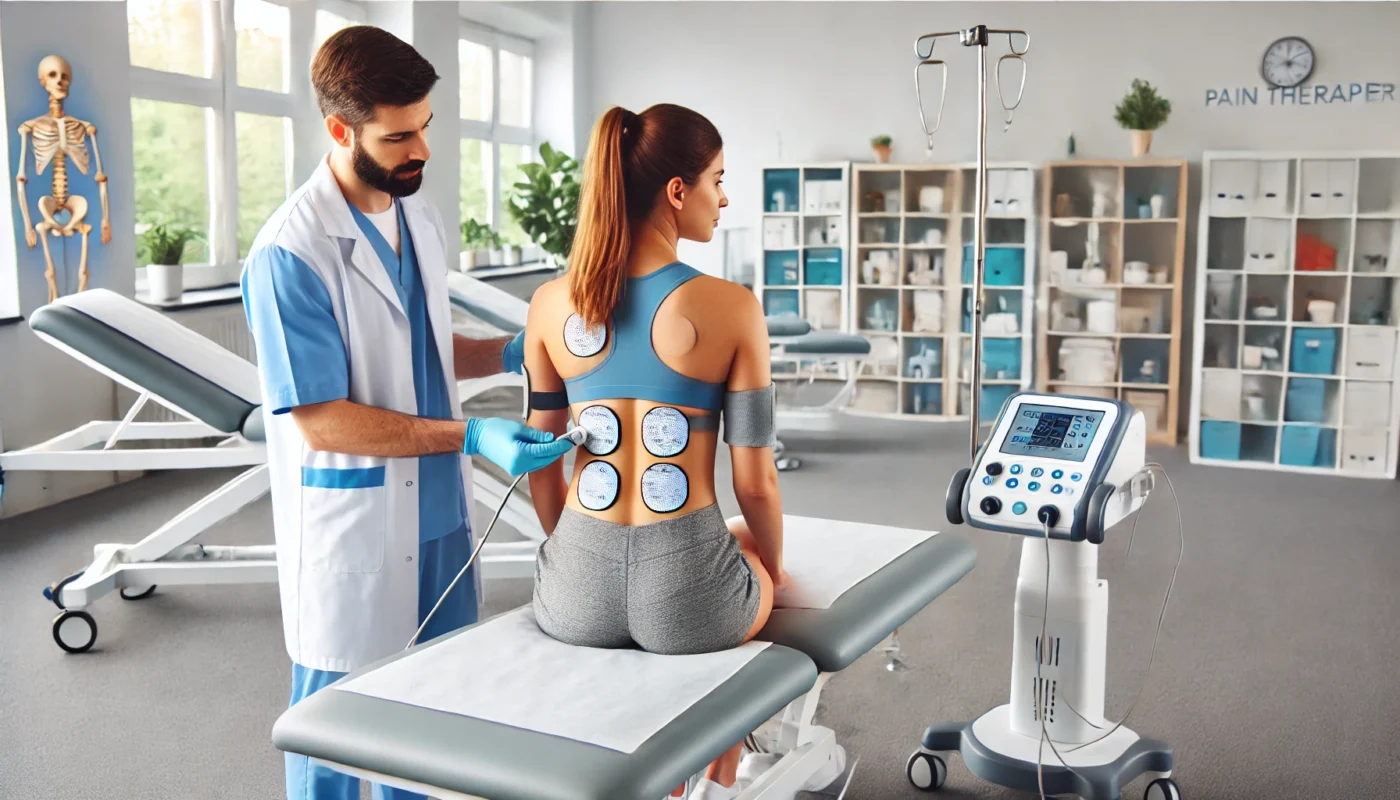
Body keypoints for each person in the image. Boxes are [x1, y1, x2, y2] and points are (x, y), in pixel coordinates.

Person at [238, 26, 572, 800]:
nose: (421, 147)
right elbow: (321, 421)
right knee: (337, 728)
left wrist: (510, 350)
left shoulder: (409, 214)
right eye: (399, 135)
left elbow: (422, 341)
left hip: (440, 519)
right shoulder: (291, 254)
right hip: (355, 530)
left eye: (426, 125)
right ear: (339, 130)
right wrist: (474, 434)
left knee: (433, 711)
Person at [518, 104, 842, 800]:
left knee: (707, 551)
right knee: (751, 563)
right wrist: (773, 571)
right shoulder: (733, 307)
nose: (723, 199)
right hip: (689, 598)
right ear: (676, 191)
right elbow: (754, 482)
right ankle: (717, 778)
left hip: (574, 589)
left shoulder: (548, 303)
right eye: (717, 181)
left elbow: (541, 459)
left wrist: (577, 549)